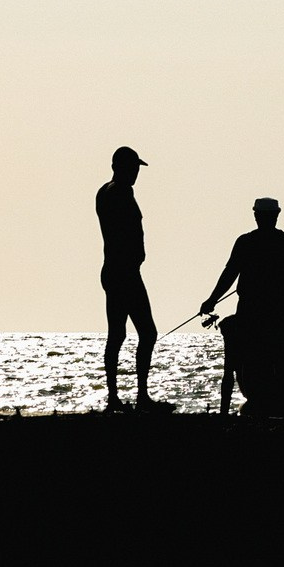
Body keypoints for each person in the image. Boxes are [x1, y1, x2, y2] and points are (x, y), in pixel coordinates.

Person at [200, 197, 284, 416]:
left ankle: (260, 405)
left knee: (254, 360)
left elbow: (230, 273)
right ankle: (281, 409)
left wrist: (212, 300)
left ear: (256, 215)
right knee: (281, 360)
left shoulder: (246, 242)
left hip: (252, 310)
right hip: (277, 309)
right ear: (277, 215)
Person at [95, 146, 174, 414]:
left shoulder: (103, 191)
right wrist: (134, 258)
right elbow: (125, 231)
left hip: (114, 270)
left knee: (117, 334)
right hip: (124, 272)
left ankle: (114, 397)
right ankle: (140, 397)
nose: (137, 173)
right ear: (122, 167)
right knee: (147, 333)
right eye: (134, 168)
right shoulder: (121, 192)